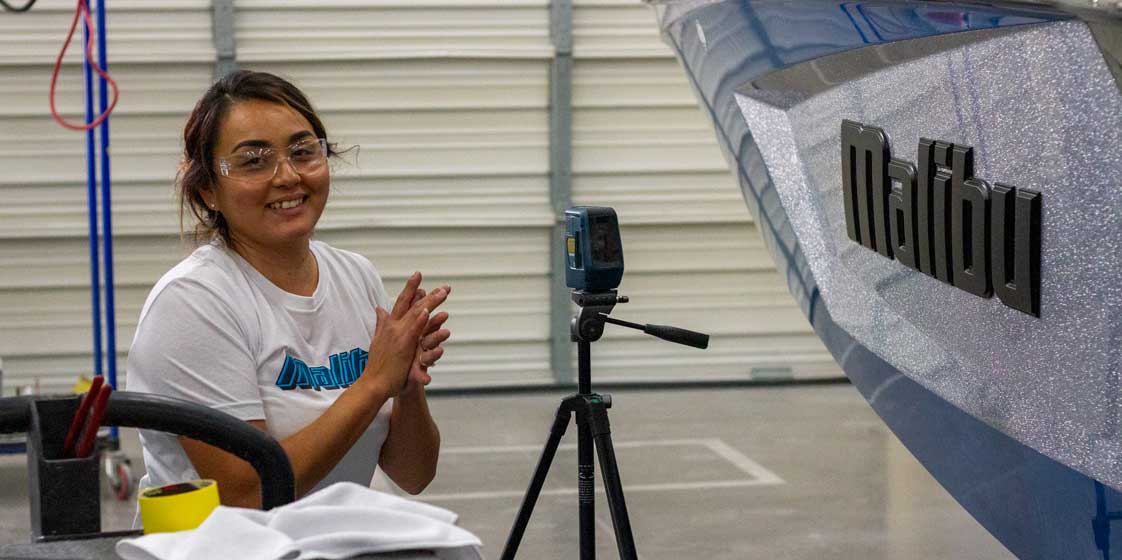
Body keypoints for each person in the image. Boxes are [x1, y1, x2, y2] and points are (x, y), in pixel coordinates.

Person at [125, 70, 450, 508]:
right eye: (253, 160)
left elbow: (413, 475)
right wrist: (373, 384)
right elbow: (248, 493)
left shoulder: (356, 276)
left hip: (334, 540)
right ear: (208, 191)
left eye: (303, 151)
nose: (288, 176)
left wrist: (406, 387)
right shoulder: (192, 303)